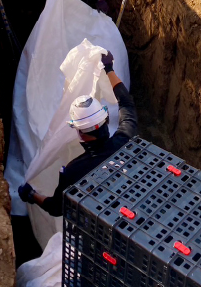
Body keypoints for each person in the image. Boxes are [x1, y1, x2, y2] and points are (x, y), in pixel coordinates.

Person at [18, 51, 137, 216]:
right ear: (106, 119)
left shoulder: (73, 172)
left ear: (80, 133)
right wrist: (109, 69)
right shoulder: (124, 140)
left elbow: (56, 208)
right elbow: (126, 104)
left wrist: (30, 194)